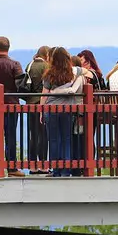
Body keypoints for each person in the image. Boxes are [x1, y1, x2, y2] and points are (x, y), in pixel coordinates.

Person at [42, 46, 88, 176]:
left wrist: (42, 111)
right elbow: (88, 72)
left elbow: (44, 95)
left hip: (52, 109)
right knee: (67, 139)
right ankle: (66, 169)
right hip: (68, 109)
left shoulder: (49, 74)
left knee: (54, 140)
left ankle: (56, 169)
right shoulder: (73, 72)